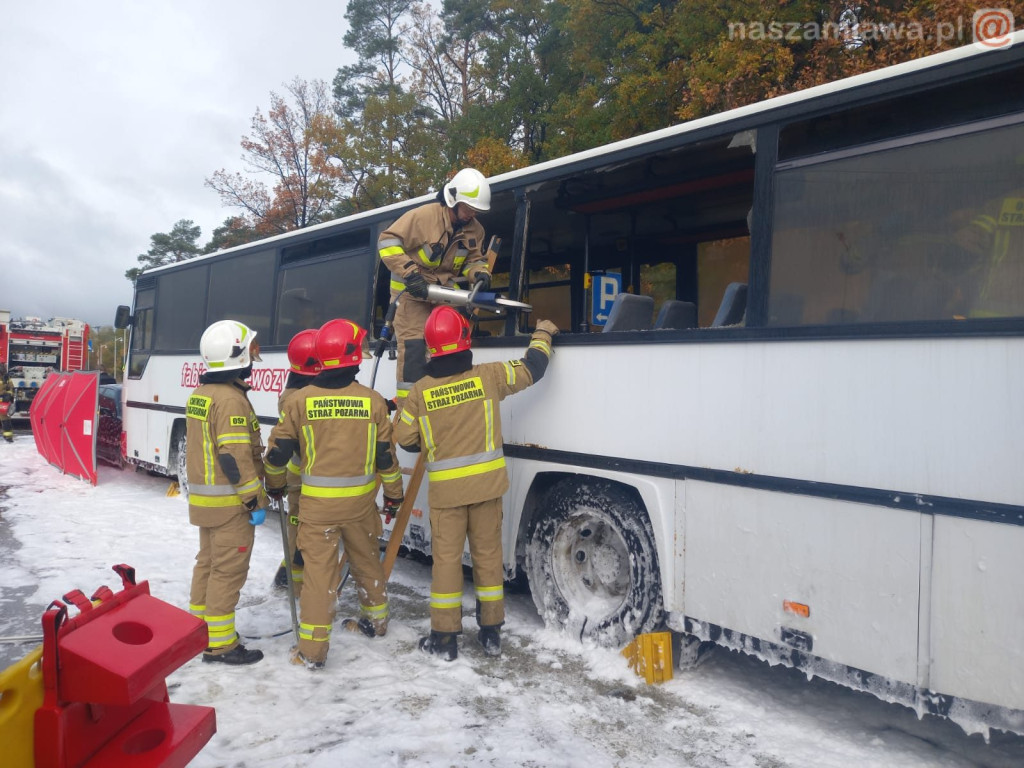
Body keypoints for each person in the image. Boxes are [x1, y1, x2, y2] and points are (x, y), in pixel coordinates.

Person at [394, 306, 558, 661]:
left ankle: (444, 640)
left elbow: (404, 437)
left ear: (430, 348)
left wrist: (434, 437)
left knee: (447, 563)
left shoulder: (420, 392)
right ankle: (491, 634)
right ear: (465, 341)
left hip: (447, 495)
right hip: (487, 490)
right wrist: (543, 334)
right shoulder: (489, 377)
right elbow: (534, 368)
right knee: (487, 558)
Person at [264, 318, 404, 670]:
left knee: (318, 576)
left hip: (317, 511)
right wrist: (394, 496)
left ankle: (312, 652)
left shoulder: (299, 402)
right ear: (355, 358)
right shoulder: (372, 402)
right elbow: (386, 458)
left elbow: (277, 456)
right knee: (366, 560)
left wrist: (276, 485)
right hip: (360, 506)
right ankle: (376, 621)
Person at [186, 320, 268, 665]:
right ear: (236, 355)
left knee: (207, 565)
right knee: (227, 572)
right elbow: (233, 458)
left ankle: (198, 632)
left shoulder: (201, 395)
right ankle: (220, 645)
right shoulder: (230, 400)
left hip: (206, 504)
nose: (255, 353)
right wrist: (254, 499)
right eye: (250, 348)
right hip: (230, 505)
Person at [377, 168, 493, 410]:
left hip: (443, 295)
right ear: (453, 199)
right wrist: (410, 273)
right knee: (414, 350)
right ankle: (409, 412)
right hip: (410, 295)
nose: (472, 214)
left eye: (476, 210)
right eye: (468, 208)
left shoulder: (476, 230)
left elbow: (474, 260)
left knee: (450, 348)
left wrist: (479, 272)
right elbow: (387, 241)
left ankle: (443, 406)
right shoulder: (423, 217)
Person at [268, 329, 323, 597]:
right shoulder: (297, 399)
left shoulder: (294, 393)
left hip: (300, 474)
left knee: (298, 530)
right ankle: (297, 585)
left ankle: (289, 577)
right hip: (305, 477)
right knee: (302, 534)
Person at [0, 363, 14, 442]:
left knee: (5, 418)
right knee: (5, 418)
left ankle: (8, 436)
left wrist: (9, 394)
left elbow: (11, 388)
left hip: (3, 401)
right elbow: (11, 388)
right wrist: (8, 394)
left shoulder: (6, 377)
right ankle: (8, 437)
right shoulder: (6, 377)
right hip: (3, 401)